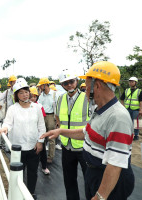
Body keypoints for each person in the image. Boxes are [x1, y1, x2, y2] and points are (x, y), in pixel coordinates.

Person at [41, 61, 135, 200]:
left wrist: (100, 196)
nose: (85, 90)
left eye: (87, 85)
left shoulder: (118, 117)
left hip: (109, 181)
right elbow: (86, 132)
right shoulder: (100, 110)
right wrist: (61, 131)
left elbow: (115, 164)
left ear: (96, 86)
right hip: (95, 174)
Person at [0, 78, 45, 198]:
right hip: (18, 149)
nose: (24, 95)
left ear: (30, 92)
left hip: (33, 147)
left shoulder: (37, 108)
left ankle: (30, 194)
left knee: (33, 173)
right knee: (18, 174)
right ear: (16, 95)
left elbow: (41, 127)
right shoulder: (13, 109)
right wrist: (4, 128)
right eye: (21, 93)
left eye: (26, 92)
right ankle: (18, 195)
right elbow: (8, 123)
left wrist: (40, 142)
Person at [55, 69, 89, 200]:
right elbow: (58, 117)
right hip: (67, 147)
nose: (69, 85)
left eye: (71, 81)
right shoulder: (60, 99)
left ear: (77, 81)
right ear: (62, 85)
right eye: (65, 83)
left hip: (84, 147)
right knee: (69, 182)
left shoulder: (86, 98)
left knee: (89, 181)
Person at [30, 86, 50, 175]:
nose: (33, 98)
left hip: (39, 132)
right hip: (29, 133)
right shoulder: (24, 106)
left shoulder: (39, 106)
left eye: (35, 96)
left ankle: (44, 167)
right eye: (31, 96)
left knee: (42, 152)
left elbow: (43, 120)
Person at [37, 77, 57, 163]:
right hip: (42, 116)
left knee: (51, 137)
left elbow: (56, 107)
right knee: (42, 136)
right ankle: (42, 155)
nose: (40, 88)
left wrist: (56, 120)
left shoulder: (54, 94)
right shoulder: (41, 95)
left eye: (41, 86)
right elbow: (39, 106)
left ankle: (50, 156)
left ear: (45, 85)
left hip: (51, 116)